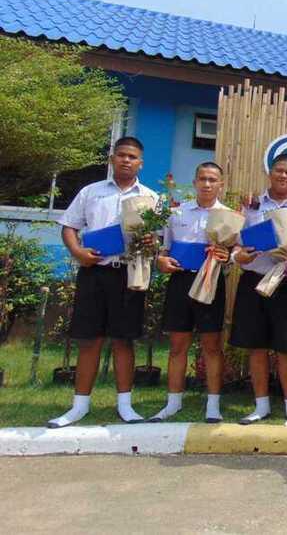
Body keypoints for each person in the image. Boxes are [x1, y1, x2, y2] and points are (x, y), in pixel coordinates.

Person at [48, 136, 158, 428]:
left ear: (140, 163)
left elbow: (158, 239)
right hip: (94, 272)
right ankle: (79, 406)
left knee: (124, 340)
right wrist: (77, 252)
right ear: (112, 158)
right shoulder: (91, 192)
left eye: (132, 157)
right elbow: (69, 226)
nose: (126, 160)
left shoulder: (151, 198)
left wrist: (152, 241)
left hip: (128, 274)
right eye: (121, 155)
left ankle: (126, 406)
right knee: (89, 339)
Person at [230, 153, 287, 426]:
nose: (284, 176)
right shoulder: (251, 206)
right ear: (270, 172)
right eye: (279, 170)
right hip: (254, 282)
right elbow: (236, 244)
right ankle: (261, 406)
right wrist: (238, 256)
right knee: (256, 346)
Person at [152, 162, 231, 422]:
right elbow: (163, 249)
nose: (207, 184)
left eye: (212, 180)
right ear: (195, 182)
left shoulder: (229, 217)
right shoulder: (177, 213)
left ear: (221, 184)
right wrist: (161, 260)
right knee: (177, 345)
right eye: (202, 179)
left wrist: (227, 255)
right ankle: (173, 402)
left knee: (212, 346)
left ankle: (213, 405)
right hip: (180, 281)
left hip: (210, 281)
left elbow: (236, 253)